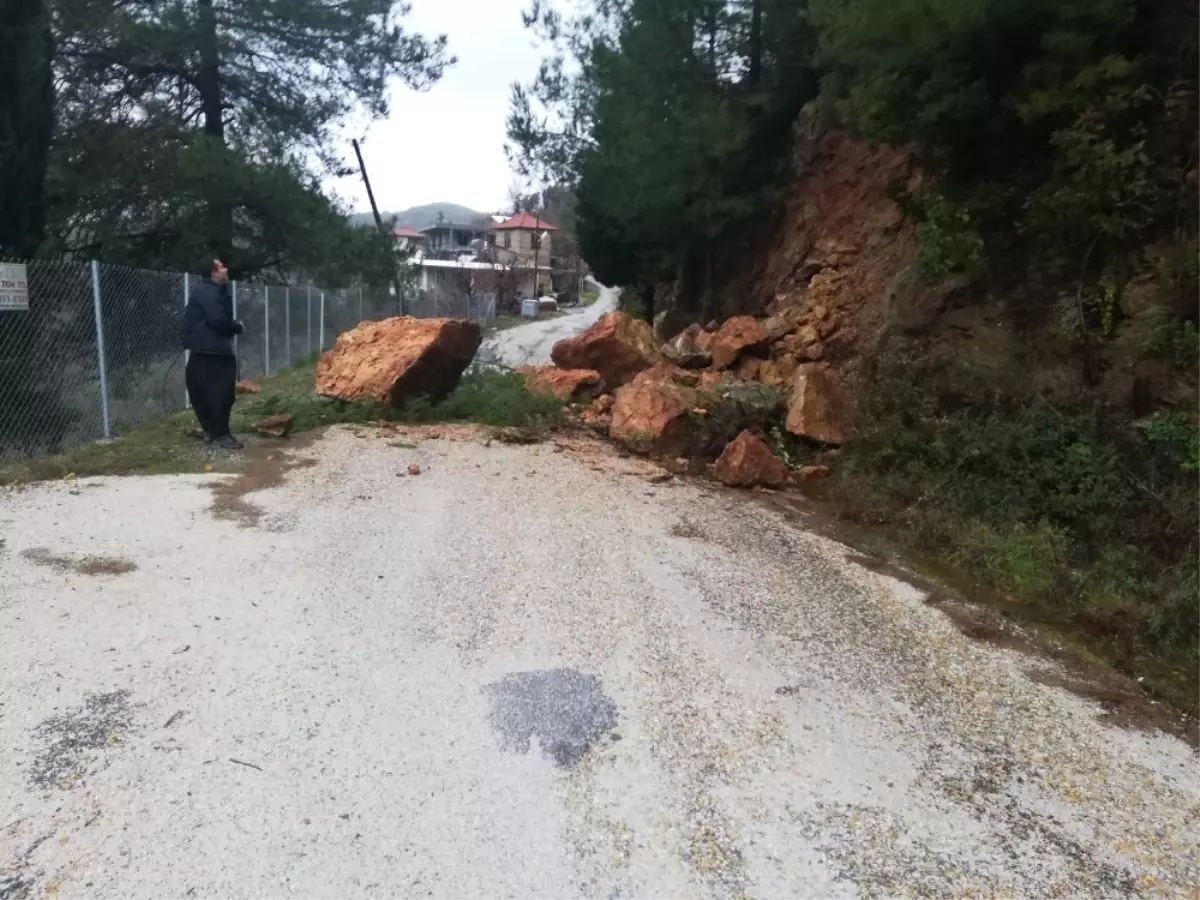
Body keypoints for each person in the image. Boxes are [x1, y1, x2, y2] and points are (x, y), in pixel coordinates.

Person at [181, 258, 244, 449]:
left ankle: (213, 432)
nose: (226, 269)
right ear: (214, 272)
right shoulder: (208, 292)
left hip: (206, 349)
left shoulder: (211, 290)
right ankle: (220, 434)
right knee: (222, 393)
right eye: (221, 267)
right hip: (212, 351)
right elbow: (218, 320)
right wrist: (237, 326)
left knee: (206, 392)